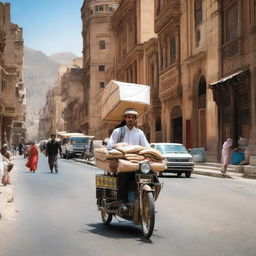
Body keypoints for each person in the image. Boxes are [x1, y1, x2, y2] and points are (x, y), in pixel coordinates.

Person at [107, 108, 150, 212]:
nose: (130, 119)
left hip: (137, 162)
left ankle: (148, 200)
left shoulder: (139, 133)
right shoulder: (118, 131)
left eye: (133, 117)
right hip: (122, 163)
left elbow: (147, 146)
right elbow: (110, 145)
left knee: (150, 176)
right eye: (128, 117)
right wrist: (119, 146)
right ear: (125, 118)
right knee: (124, 176)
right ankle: (123, 201)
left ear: (135, 120)